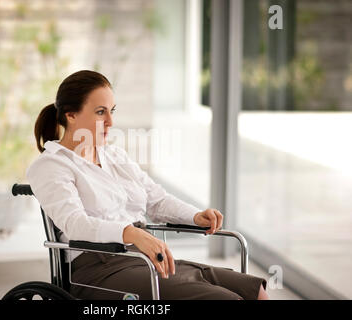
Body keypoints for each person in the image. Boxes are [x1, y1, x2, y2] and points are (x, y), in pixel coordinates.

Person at [26, 70, 269, 300]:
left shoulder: (114, 157)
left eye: (112, 111)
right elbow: (75, 224)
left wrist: (195, 216)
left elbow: (156, 199)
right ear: (71, 115)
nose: (110, 121)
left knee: (255, 291)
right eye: (101, 112)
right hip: (99, 271)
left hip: (144, 259)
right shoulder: (50, 166)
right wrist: (131, 233)